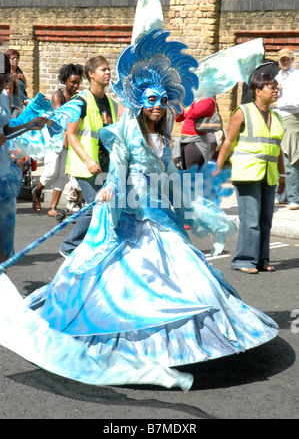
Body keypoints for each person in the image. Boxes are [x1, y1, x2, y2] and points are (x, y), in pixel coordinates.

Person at [0, 32, 279, 390]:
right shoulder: (125, 131)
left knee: (185, 273)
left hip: (159, 212)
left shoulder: (164, 137)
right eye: (151, 100)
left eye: (163, 100)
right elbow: (118, 167)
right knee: (124, 276)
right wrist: (111, 190)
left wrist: (190, 208)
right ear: (140, 101)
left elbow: (170, 176)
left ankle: (191, 343)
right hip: (130, 212)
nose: (158, 105)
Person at [214, 74, 285, 274]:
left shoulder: (276, 117)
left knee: (265, 220)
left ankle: (262, 259)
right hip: (247, 173)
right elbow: (228, 140)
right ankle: (244, 260)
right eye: (271, 88)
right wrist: (218, 166)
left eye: (276, 88)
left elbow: (277, 148)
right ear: (257, 90)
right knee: (251, 220)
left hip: (269, 175)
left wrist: (282, 175)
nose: (275, 91)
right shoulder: (243, 111)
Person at [59, 56, 119, 257]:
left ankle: (97, 245)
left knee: (107, 206)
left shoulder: (111, 104)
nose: (108, 72)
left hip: (105, 164)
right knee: (96, 207)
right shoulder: (80, 101)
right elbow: (71, 134)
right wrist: (87, 159)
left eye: (109, 69)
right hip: (85, 166)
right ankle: (69, 247)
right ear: (91, 74)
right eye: (103, 69)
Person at [0, 52, 47, 262]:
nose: (2, 82)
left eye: (3, 78)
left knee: (6, 236)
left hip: (4, 171)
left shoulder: (4, 96)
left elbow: (7, 129)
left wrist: (30, 124)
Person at [32, 63, 84, 217]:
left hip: (69, 138)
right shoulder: (57, 96)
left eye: (78, 83)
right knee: (50, 172)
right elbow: (61, 118)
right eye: (72, 82)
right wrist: (65, 137)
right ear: (66, 80)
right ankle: (38, 191)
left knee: (62, 174)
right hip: (55, 138)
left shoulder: (78, 97)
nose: (75, 86)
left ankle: (53, 207)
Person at [274, 48, 299, 210]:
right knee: (279, 157)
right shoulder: (278, 76)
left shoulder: (296, 77)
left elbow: (296, 102)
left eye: (287, 59)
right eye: (282, 59)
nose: (285, 62)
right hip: (277, 117)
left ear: (292, 59)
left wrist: (277, 104)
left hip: (290, 117)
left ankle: (294, 197)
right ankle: (282, 195)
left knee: (291, 157)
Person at [173, 98, 216, 170]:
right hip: (184, 140)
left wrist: (186, 100)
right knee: (182, 173)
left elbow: (191, 114)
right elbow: (178, 118)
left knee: (193, 176)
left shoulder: (208, 100)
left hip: (195, 142)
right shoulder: (194, 101)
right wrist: (175, 104)